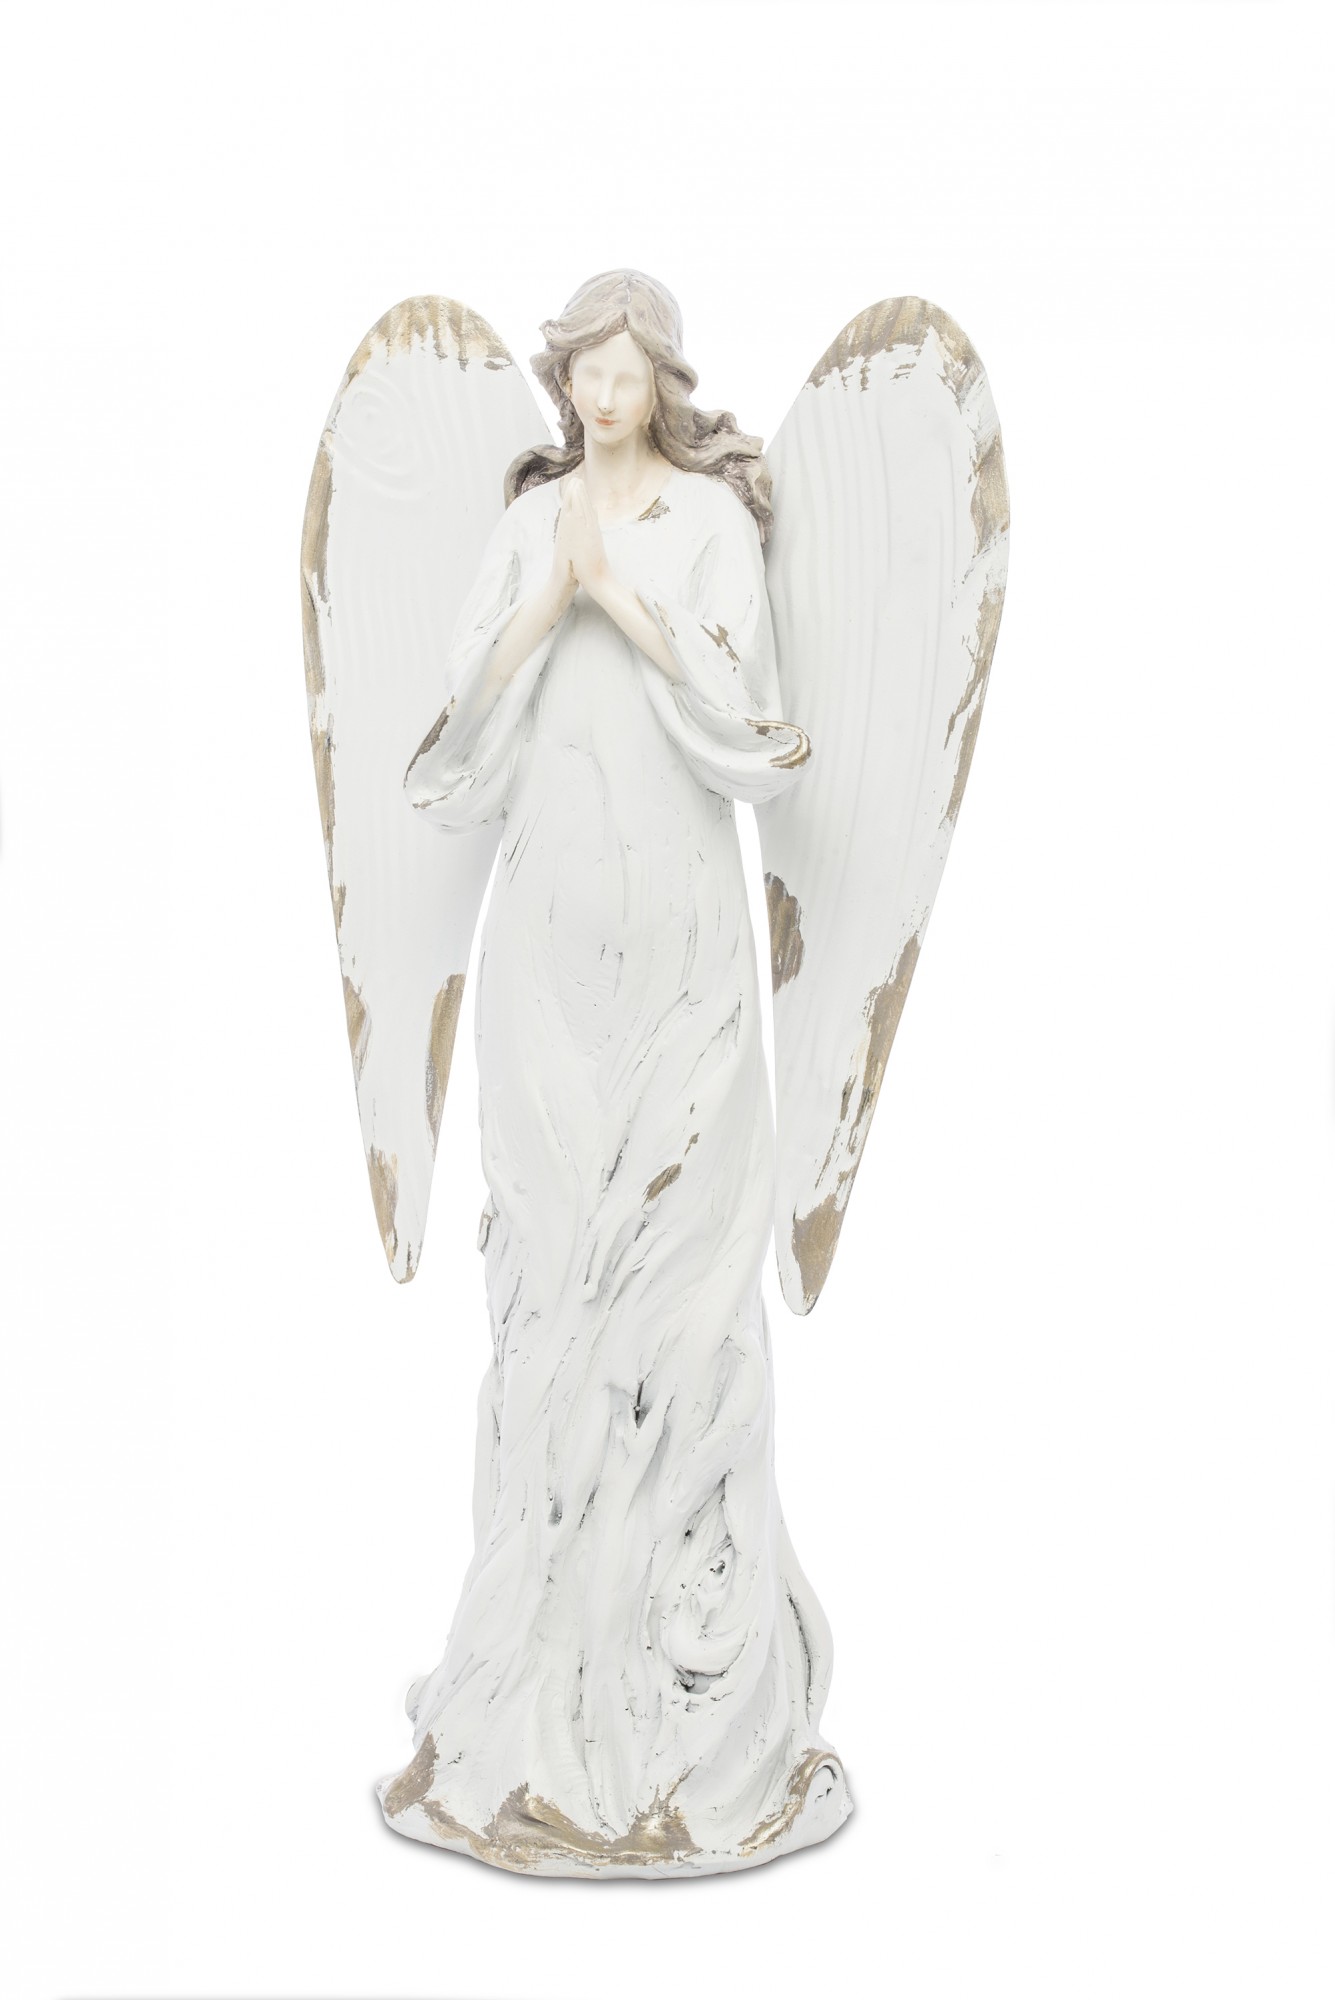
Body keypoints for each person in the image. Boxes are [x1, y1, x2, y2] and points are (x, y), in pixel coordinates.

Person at [383, 271, 850, 1874]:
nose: (603, 395)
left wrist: (623, 598)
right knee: (549, 1283)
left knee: (680, 1281)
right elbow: (451, 751)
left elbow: (754, 731)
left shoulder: (711, 525)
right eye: (584, 368)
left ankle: (686, 1700)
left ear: (663, 384)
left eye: (630, 371)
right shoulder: (529, 526)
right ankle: (532, 1693)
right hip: (543, 943)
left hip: (686, 940)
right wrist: (551, 592)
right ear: (561, 379)